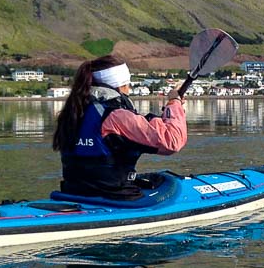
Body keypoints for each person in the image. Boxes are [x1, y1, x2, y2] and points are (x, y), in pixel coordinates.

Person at [51, 55, 187, 199]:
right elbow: (172, 141)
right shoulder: (117, 116)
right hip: (115, 195)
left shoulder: (71, 113)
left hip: (74, 193)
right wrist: (174, 103)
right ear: (121, 85)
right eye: (128, 84)